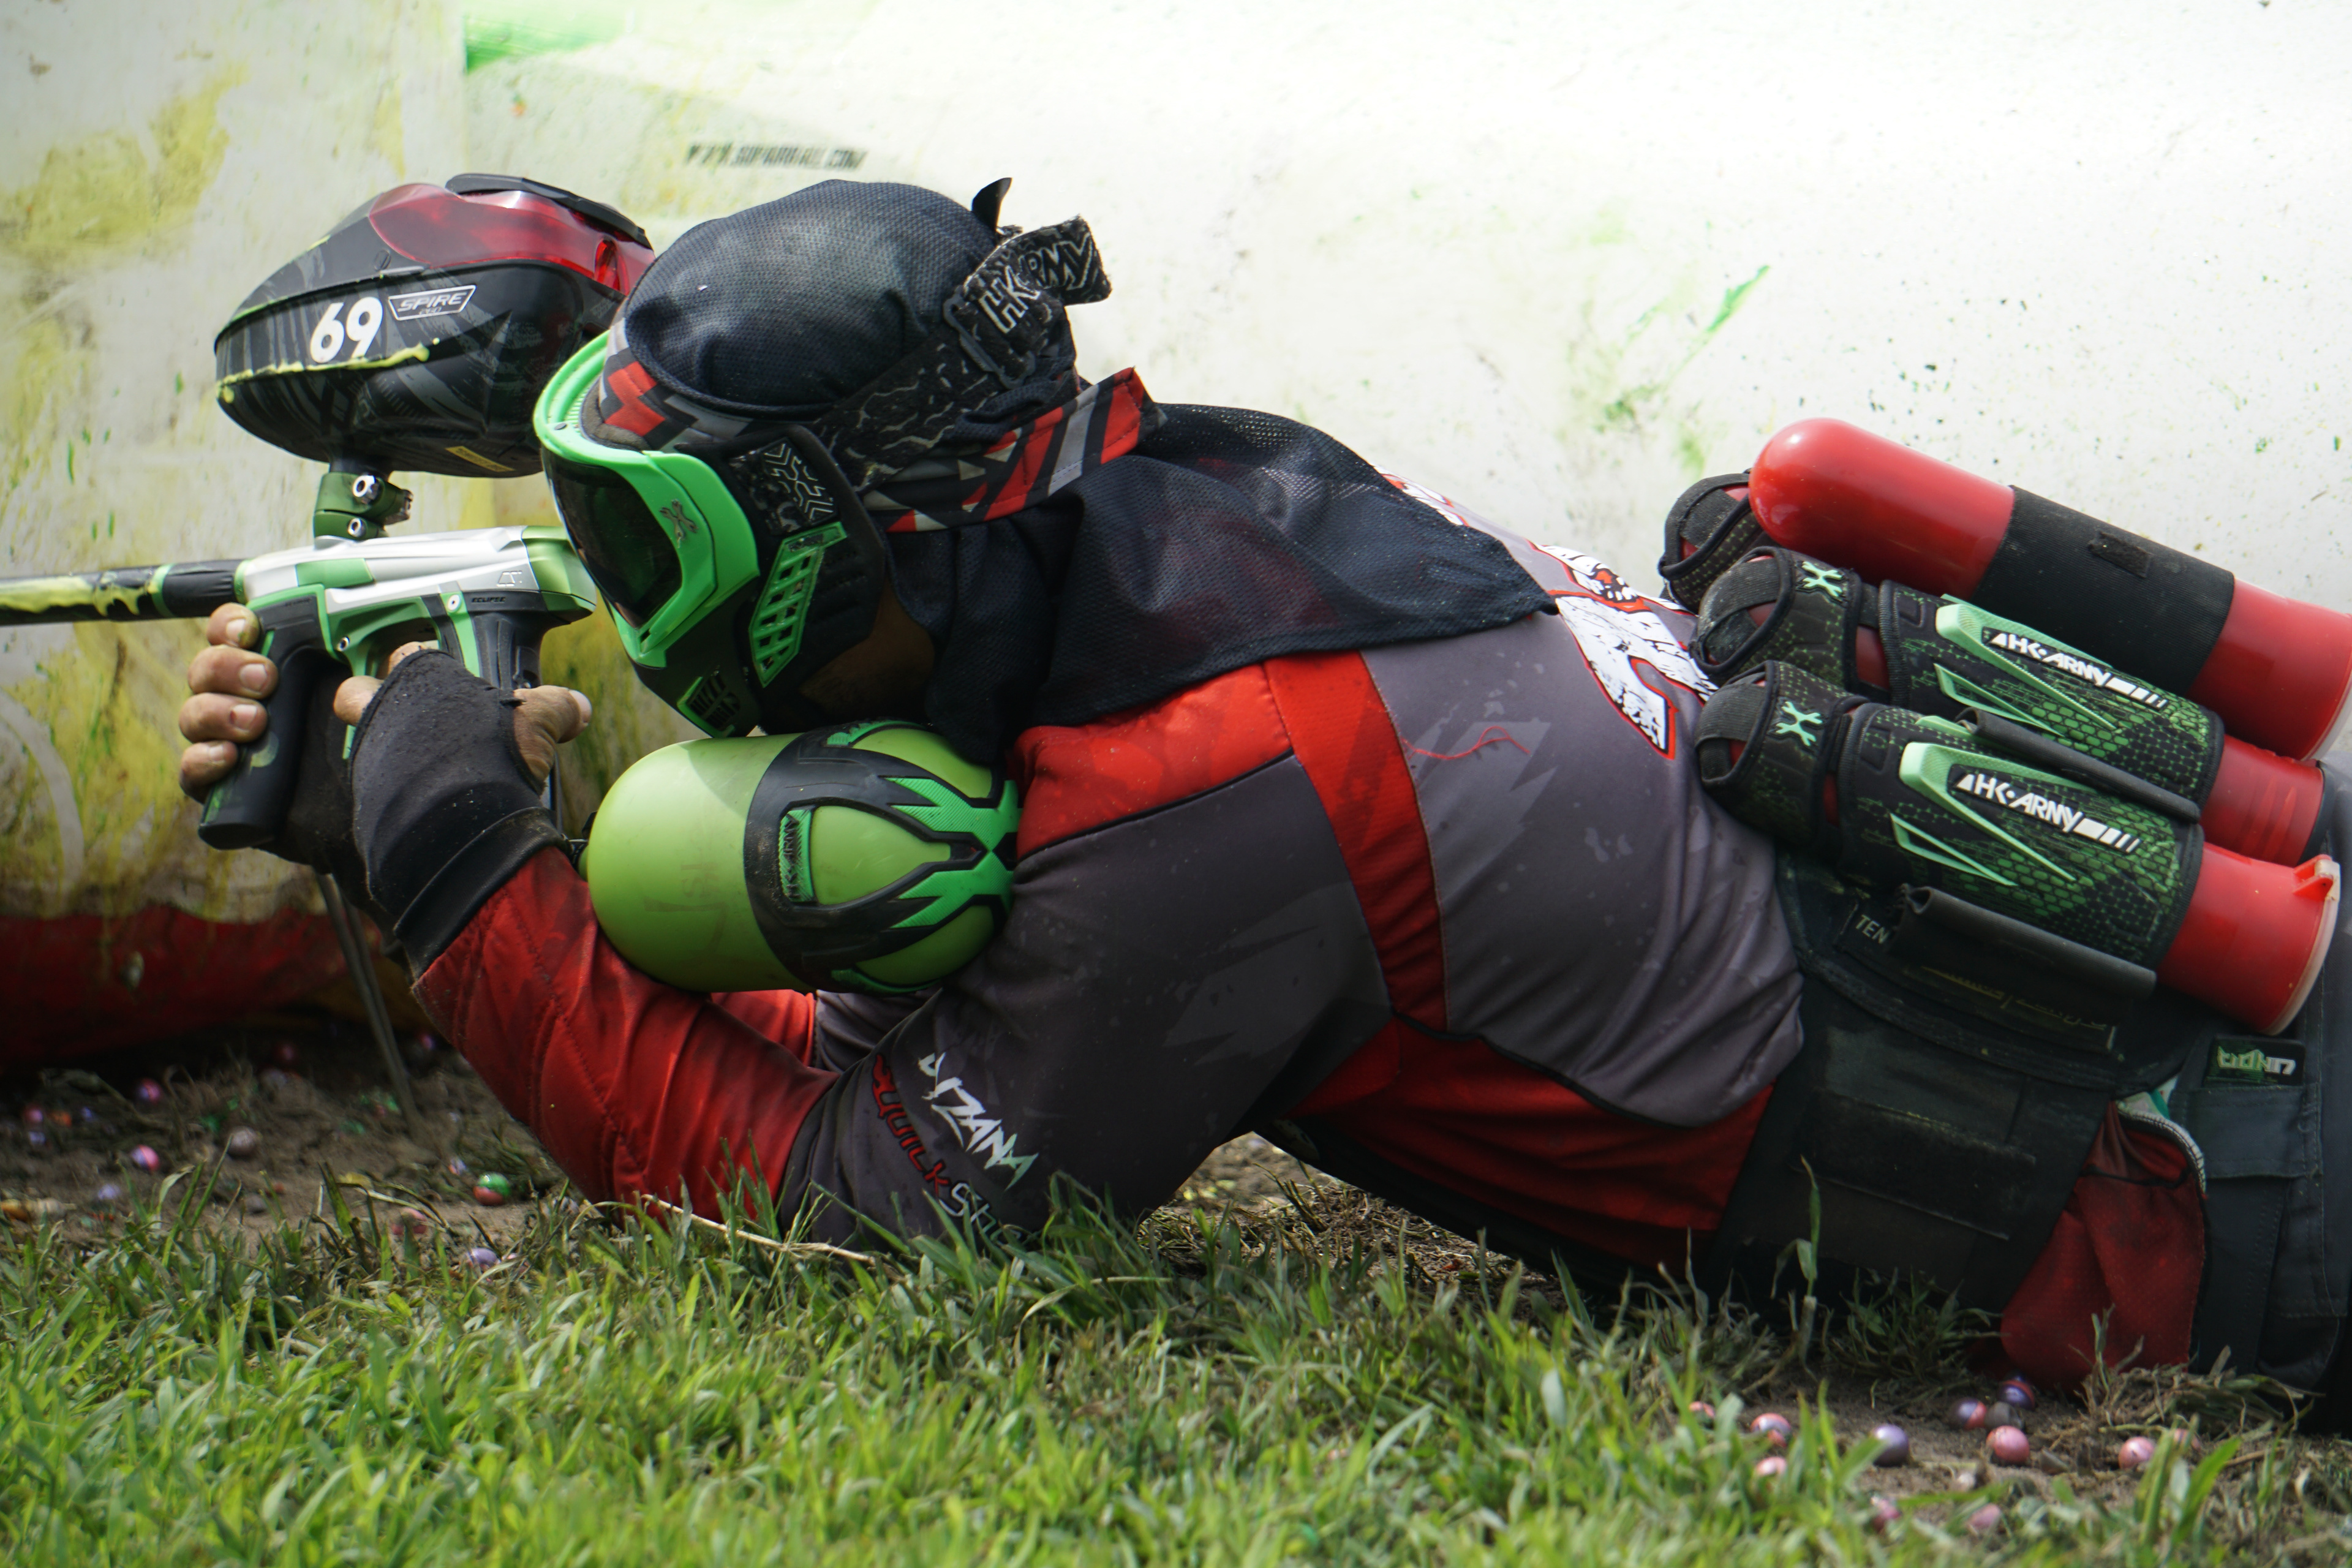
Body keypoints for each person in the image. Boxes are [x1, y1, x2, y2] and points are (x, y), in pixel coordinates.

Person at [174, 179, 2340, 1403]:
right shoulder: (1195, 508)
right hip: (2229, 1007)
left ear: (869, 541)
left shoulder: (1205, 797)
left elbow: (865, 1215)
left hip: (2229, 1197)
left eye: (671, 548)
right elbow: (908, 1032)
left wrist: (454, 857)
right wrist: (419, 829)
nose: (644, 620)